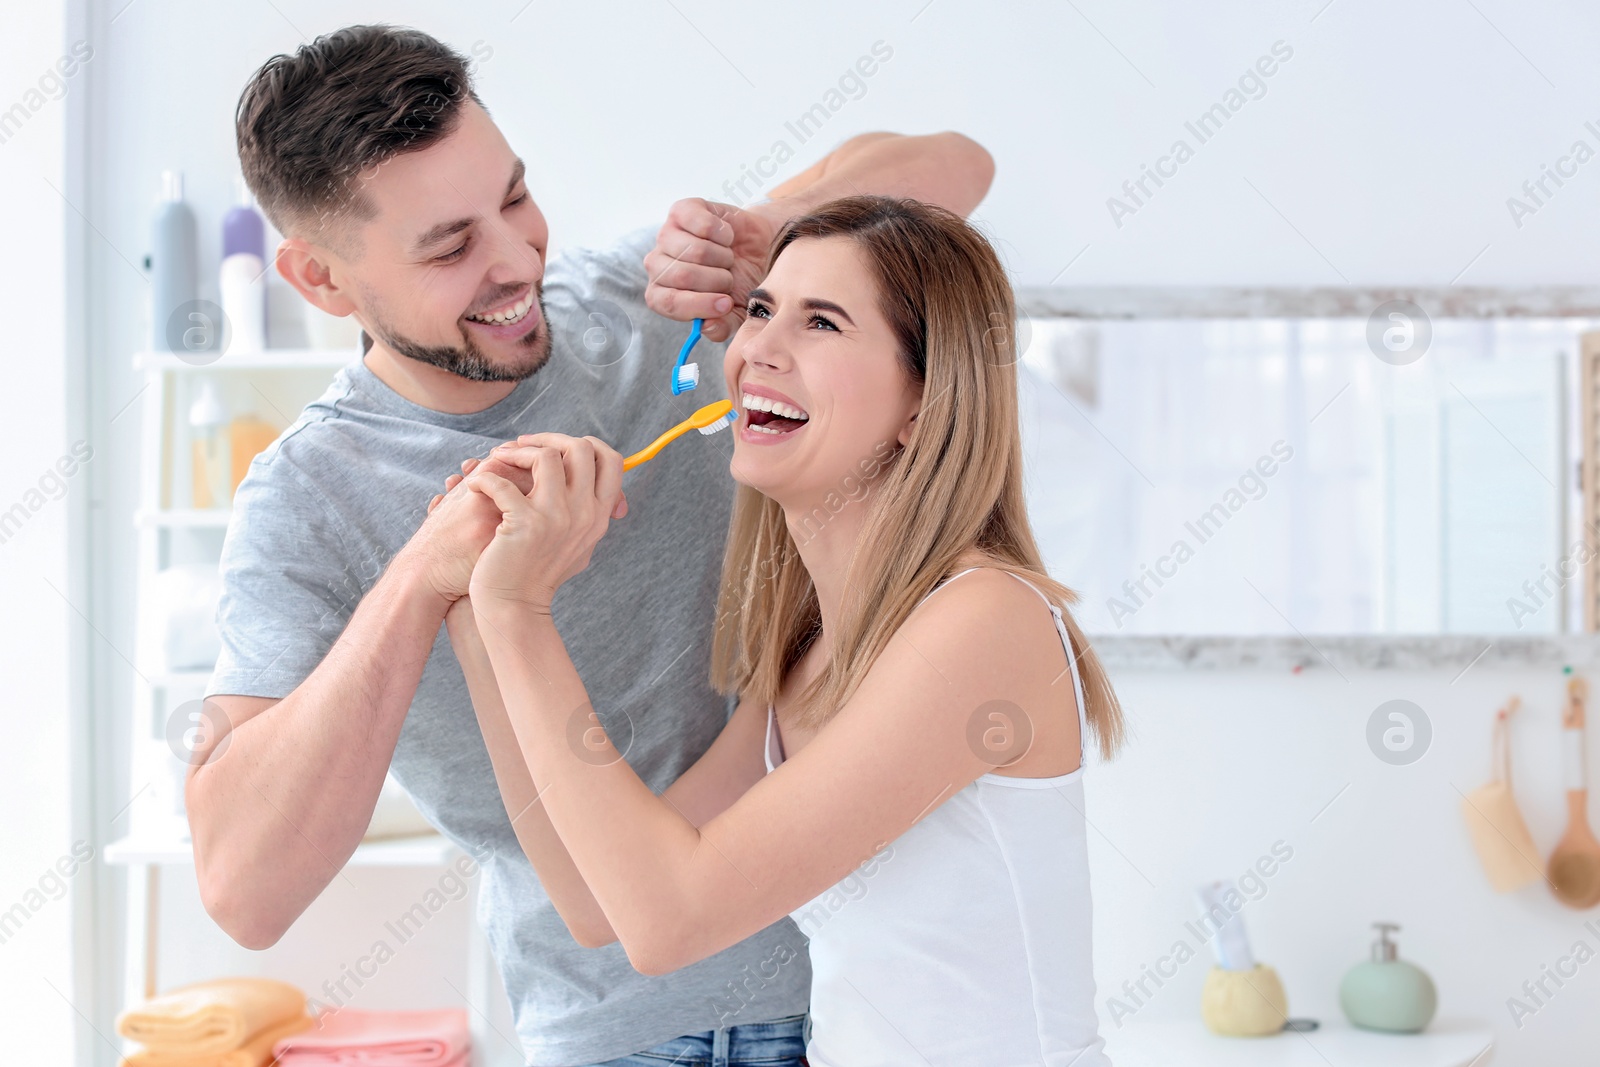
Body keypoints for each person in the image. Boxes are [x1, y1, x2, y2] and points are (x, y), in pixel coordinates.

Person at [188, 24, 994, 1067]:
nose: (516, 257)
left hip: (865, 986)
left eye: (514, 197)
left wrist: (766, 230)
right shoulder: (305, 499)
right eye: (448, 246)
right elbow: (245, 889)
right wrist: (426, 576)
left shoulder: (645, 304)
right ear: (321, 280)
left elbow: (957, 168)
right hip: (622, 1029)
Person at [432, 195, 1126, 1066]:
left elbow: (668, 919)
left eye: (822, 322)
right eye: (761, 310)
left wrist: (519, 611)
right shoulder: (808, 659)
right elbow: (594, 904)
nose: (758, 347)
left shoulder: (985, 620)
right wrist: (475, 618)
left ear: (925, 401)